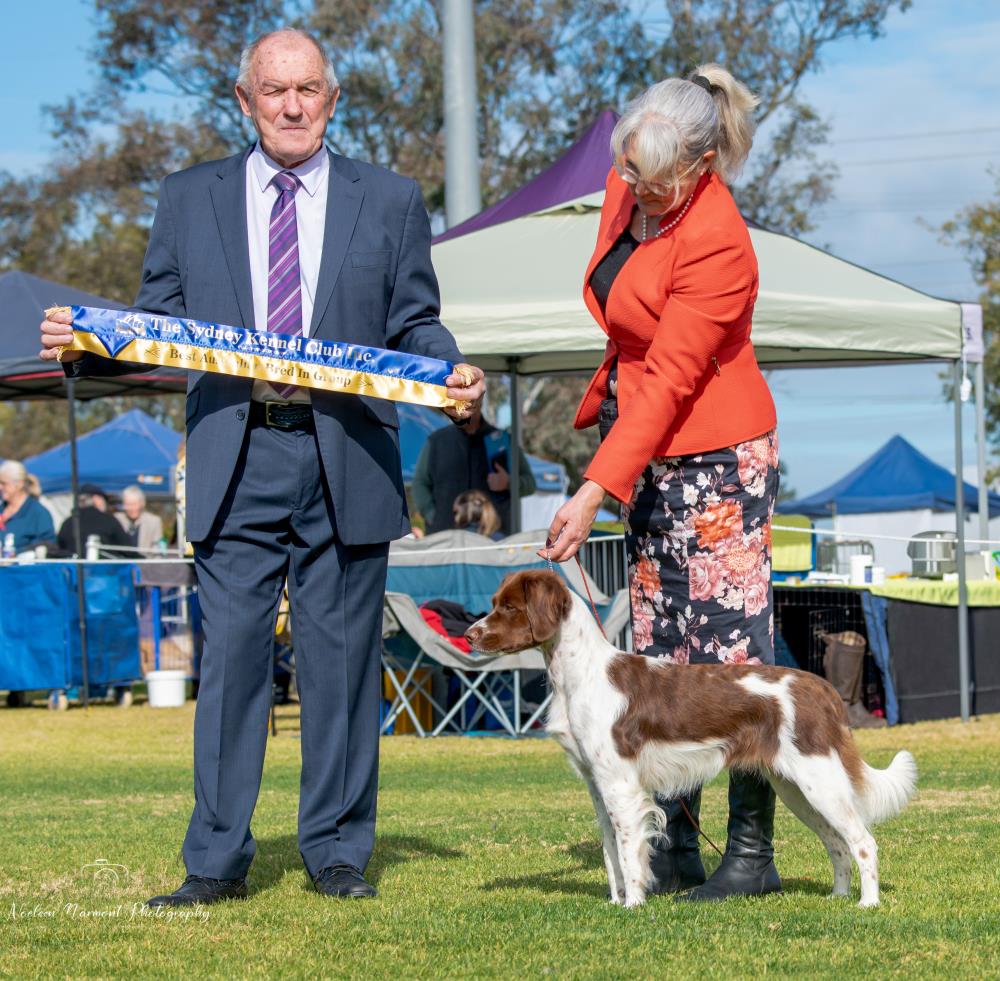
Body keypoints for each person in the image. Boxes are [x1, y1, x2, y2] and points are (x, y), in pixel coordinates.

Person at [39, 28, 484, 906]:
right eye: (274, 90)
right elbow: (158, 327)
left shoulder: (391, 200)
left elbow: (414, 322)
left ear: (332, 99)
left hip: (348, 455)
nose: (291, 106)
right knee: (232, 667)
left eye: (307, 89)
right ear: (244, 101)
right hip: (233, 453)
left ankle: (338, 851)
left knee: (342, 669)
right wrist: (88, 342)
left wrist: (450, 369)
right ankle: (213, 861)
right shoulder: (186, 197)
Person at [544, 65, 781, 902]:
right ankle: (674, 846)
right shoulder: (632, 177)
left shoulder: (720, 240)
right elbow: (626, 318)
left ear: (703, 164)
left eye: (654, 181)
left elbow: (676, 377)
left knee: (729, 657)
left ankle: (751, 852)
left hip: (716, 457)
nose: (634, 190)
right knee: (660, 650)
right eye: (628, 171)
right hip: (646, 449)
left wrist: (593, 488)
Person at [411, 406, 535, 535]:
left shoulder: (503, 440)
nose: (465, 403)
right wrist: (432, 516)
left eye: (471, 398)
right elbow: (420, 483)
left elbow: (530, 483)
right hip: (445, 538)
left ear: (480, 400)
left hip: (494, 537)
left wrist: (508, 482)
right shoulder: (436, 441)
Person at [56, 484, 132, 558]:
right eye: (103, 499)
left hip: (74, 565)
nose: (105, 503)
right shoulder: (108, 520)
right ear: (96, 499)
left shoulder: (67, 523)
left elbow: (60, 547)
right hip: (105, 565)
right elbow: (128, 549)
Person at [0, 460, 55, 552]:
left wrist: (18, 553)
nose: (0, 487)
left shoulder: (38, 513)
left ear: (19, 484)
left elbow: (47, 545)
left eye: (4, 483)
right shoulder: (2, 509)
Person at [115, 485, 164, 556]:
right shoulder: (116, 519)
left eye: (134, 504)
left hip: (146, 561)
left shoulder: (154, 521)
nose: (131, 508)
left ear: (142, 504)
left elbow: (157, 550)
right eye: (127, 504)